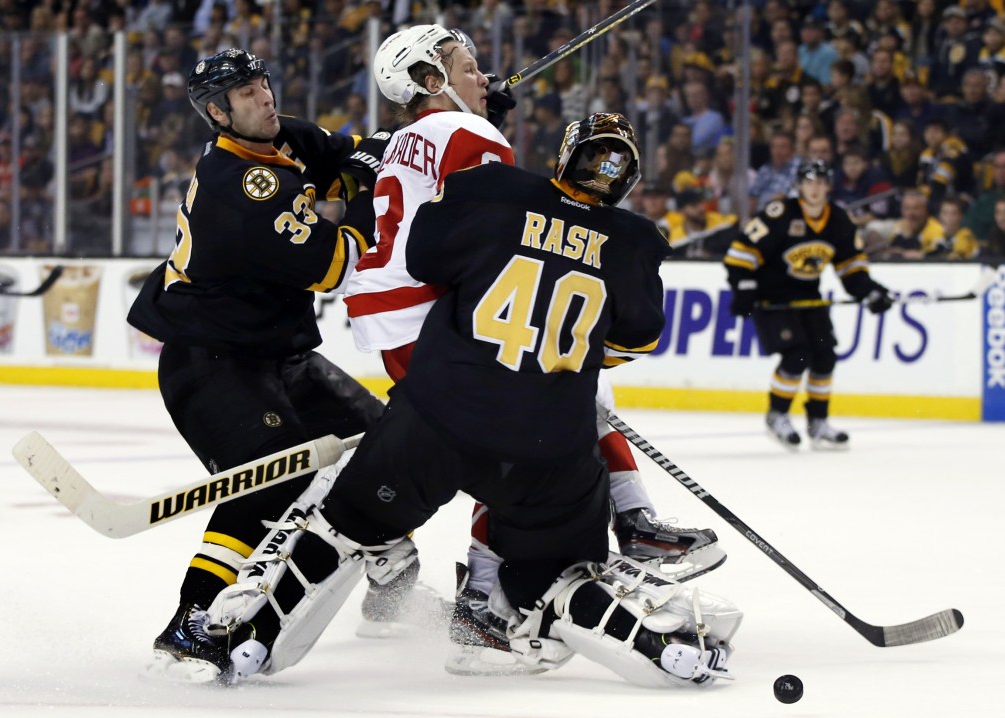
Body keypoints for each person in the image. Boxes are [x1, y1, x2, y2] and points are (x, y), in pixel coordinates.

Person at [201, 112, 742, 688]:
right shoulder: (635, 241)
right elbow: (635, 340)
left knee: (344, 528)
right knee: (560, 573)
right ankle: (660, 646)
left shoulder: (493, 191)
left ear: (564, 156)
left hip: (435, 421)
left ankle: (248, 638)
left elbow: (425, 260)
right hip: (548, 451)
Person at [343, 25, 724, 662]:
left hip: (393, 312)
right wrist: (488, 127)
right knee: (538, 414)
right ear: (430, 83)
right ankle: (537, 569)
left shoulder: (410, 138)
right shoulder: (470, 134)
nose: (484, 80)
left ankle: (608, 527)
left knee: (529, 418)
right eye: (468, 69)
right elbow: (506, 221)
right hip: (428, 307)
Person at [126, 48, 391, 681]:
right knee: (273, 478)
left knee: (389, 444)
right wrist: (355, 185)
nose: (264, 97)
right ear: (217, 113)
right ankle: (190, 623)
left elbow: (364, 148)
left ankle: (389, 577)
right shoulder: (239, 183)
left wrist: (446, 117)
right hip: (212, 363)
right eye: (245, 93)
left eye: (263, 83)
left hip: (280, 357)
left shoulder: (284, 136)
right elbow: (334, 263)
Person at [724, 158, 895, 450]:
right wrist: (745, 287)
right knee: (797, 355)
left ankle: (818, 423)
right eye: (808, 182)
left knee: (825, 356)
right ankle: (777, 415)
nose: (814, 189)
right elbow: (741, 253)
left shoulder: (839, 219)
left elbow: (850, 265)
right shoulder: (780, 214)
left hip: (809, 298)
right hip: (774, 299)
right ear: (799, 186)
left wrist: (869, 290)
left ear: (828, 186)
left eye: (820, 183)